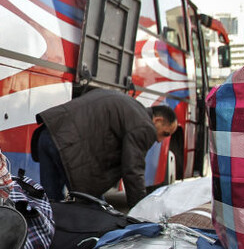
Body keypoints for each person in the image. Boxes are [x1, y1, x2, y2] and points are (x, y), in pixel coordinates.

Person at [31, 88, 178, 207]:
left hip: (48, 132)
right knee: (94, 208)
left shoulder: (130, 106)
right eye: (165, 133)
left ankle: (51, 239)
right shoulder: (144, 126)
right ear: (158, 120)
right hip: (68, 147)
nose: (160, 140)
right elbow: (133, 170)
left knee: (50, 205)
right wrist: (140, 211)